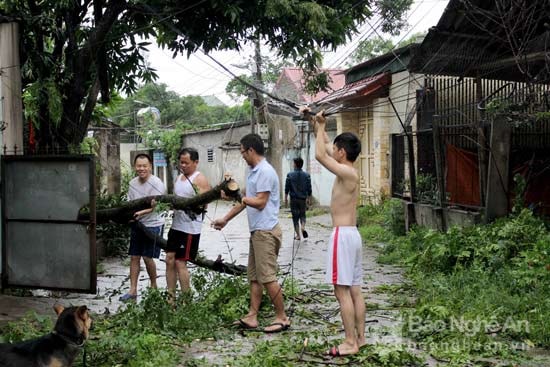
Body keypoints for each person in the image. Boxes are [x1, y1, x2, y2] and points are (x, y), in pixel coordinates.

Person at [212, 133, 290, 333]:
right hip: (257, 232)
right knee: (254, 277)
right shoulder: (253, 171)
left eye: (242, 152)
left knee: (267, 277)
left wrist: (245, 199)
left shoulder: (265, 171)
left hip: (266, 232)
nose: (242, 156)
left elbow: (260, 202)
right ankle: (252, 315)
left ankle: (282, 317)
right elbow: (245, 201)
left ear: (251, 150)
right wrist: (225, 219)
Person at [304, 107, 365, 356]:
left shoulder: (347, 172)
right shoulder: (347, 168)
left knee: (341, 291)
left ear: (342, 152)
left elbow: (319, 154)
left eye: (336, 149)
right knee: (354, 289)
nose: (333, 151)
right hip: (353, 235)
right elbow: (325, 144)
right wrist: (317, 122)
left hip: (343, 236)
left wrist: (319, 128)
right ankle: (360, 339)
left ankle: (350, 342)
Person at [119, 153, 166, 302]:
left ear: (150, 166)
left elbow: (158, 206)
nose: (141, 169)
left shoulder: (157, 183)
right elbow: (130, 202)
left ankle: (153, 286)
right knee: (134, 256)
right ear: (135, 167)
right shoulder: (133, 183)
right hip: (137, 223)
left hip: (153, 224)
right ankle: (132, 290)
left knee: (147, 257)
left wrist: (142, 212)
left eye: (144, 166)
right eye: (139, 166)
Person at [166, 148, 210, 299]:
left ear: (196, 162)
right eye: (181, 162)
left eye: (186, 163)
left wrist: (188, 206)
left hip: (190, 229)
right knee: (169, 259)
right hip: (176, 226)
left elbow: (204, 205)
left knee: (180, 262)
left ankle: (186, 299)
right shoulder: (179, 178)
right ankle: (170, 297)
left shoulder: (200, 179)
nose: (183, 165)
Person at [284, 157, 312, 241]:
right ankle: (303, 227)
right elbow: (309, 188)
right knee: (303, 215)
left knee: (295, 218)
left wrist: (286, 198)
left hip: (294, 200)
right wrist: (309, 198)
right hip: (302, 200)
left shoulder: (290, 175)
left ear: (295, 164)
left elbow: (287, 188)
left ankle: (298, 235)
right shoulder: (307, 175)